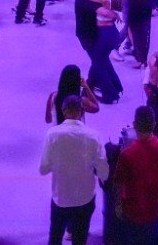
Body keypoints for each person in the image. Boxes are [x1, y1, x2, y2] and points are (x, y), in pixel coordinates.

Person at [39, 96, 109, 245]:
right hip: (85, 199)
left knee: (55, 238)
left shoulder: (52, 134)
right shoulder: (94, 136)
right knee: (80, 240)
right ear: (82, 112)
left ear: (63, 111)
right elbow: (103, 171)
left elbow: (43, 169)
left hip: (61, 197)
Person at [113, 106, 158, 243]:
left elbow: (118, 182)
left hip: (132, 212)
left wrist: (118, 205)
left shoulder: (126, 155)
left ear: (135, 125)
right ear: (154, 124)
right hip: (155, 210)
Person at [74, 0, 122, 105]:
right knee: (101, 60)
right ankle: (110, 87)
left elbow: (104, 12)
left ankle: (110, 94)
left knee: (98, 62)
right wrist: (116, 14)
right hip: (90, 34)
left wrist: (114, 14)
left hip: (94, 34)